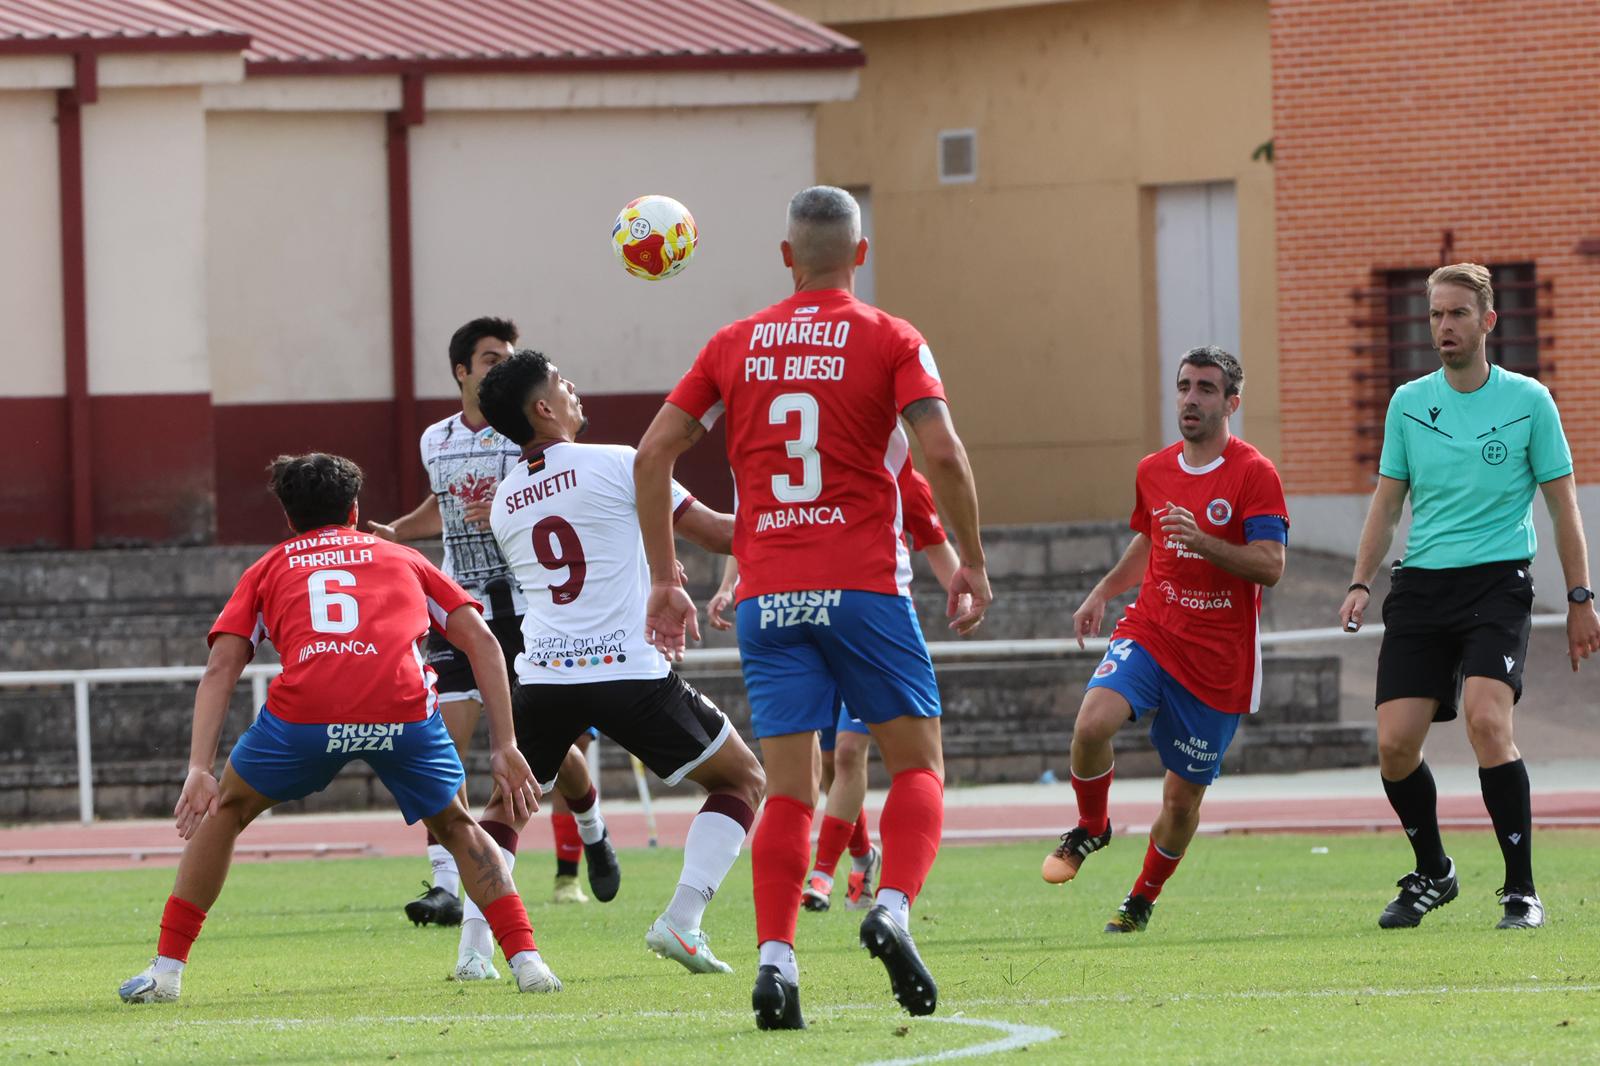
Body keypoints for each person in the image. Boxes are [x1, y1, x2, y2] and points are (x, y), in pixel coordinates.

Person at [634, 185, 992, 1030]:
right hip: (862, 587)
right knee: (919, 767)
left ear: (786, 257)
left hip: (768, 595)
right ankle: (891, 908)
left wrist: (665, 578)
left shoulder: (734, 342)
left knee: (790, 790)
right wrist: (972, 561)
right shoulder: (891, 337)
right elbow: (941, 452)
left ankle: (776, 963)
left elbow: (652, 456)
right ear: (860, 254)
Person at [118, 454, 561, 1004]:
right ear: (354, 510)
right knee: (457, 825)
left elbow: (221, 668)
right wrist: (504, 744)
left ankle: (166, 972)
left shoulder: (267, 568)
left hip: (306, 716)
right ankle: (528, 962)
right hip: (401, 712)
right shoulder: (406, 559)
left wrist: (198, 769)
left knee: (225, 810)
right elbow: (484, 643)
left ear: (288, 519)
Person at [472, 349, 767, 977]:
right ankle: (682, 920)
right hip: (625, 671)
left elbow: (582, 555)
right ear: (544, 407)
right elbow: (720, 533)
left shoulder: (503, 502)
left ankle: (474, 951)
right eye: (561, 381)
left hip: (544, 675)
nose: (573, 386)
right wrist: (803, 521)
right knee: (742, 780)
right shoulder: (619, 462)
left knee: (505, 805)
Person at [1339, 263, 1599, 931]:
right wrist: (1361, 581)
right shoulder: (1407, 403)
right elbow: (1387, 504)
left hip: (1497, 583)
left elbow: (1564, 506)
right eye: (1434, 315)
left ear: (1488, 321)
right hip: (1422, 587)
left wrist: (1579, 597)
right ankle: (1434, 871)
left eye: (1457, 313)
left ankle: (1521, 890)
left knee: (1487, 722)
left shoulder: (1530, 401)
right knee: (1395, 746)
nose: (1443, 326)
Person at [1040, 346, 1288, 935]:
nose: (1190, 399)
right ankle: (1092, 827)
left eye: (1206, 388)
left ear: (1232, 402)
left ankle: (1140, 899)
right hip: (1153, 628)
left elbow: (1271, 565)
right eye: (1184, 386)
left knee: (1180, 804)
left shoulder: (1254, 473)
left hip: (1218, 659)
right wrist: (1103, 590)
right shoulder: (1153, 470)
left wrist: (1203, 543)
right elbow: (1151, 539)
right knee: (1091, 724)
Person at [370, 316, 608, 917]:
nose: (503, 367)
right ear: (461, 371)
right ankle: (446, 885)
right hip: (458, 607)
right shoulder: (435, 439)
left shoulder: (524, 431)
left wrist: (507, 507)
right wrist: (397, 532)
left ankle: (591, 825)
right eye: (491, 359)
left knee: (545, 745)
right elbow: (441, 505)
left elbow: (559, 492)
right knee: (444, 741)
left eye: (509, 357)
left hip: (525, 606)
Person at [706, 463, 967, 914]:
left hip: (867, 631)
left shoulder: (894, 472)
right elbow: (750, 525)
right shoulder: (792, 465)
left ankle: (823, 874)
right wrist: (729, 585)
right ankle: (862, 856)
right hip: (803, 631)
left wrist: (964, 590)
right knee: (825, 764)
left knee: (848, 752)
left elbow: (936, 541)